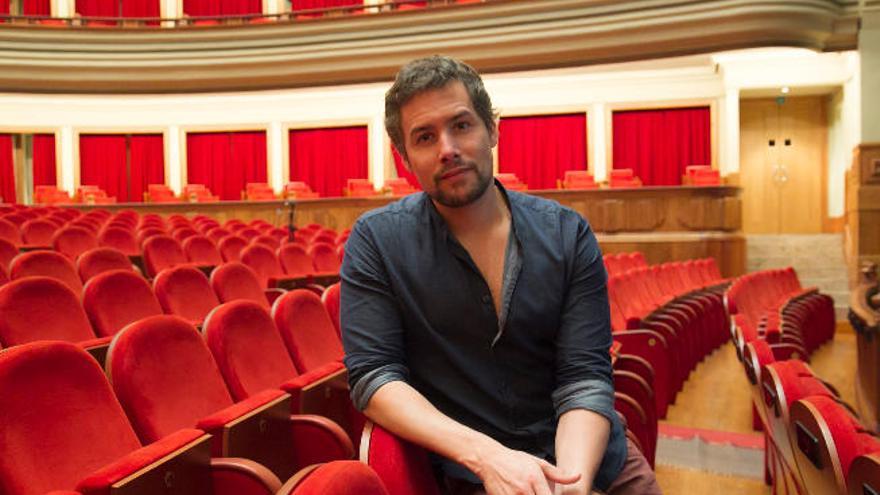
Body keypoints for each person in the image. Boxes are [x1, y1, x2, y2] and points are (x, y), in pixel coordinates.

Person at [340, 55, 661, 495]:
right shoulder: (375, 242)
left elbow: (583, 377)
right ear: (404, 159)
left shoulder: (568, 234)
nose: (447, 148)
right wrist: (487, 456)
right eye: (425, 137)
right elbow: (375, 377)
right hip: (470, 470)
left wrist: (572, 482)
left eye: (462, 125)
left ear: (492, 130)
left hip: (588, 458)